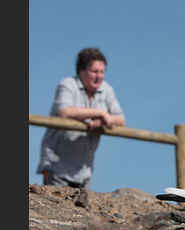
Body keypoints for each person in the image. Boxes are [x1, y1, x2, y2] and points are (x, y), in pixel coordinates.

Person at [36, 47, 125, 190]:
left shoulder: (107, 90)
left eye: (102, 72)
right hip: (57, 167)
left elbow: (120, 119)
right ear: (81, 71)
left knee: (80, 212)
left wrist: (100, 122)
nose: (99, 76)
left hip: (84, 171)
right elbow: (65, 111)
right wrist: (100, 113)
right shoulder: (67, 84)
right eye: (94, 72)